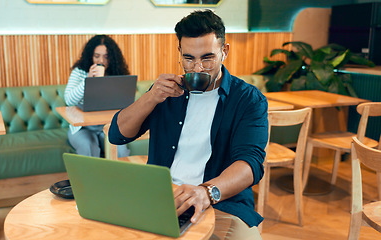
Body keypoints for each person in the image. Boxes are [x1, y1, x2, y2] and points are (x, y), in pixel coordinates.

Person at [108, 10, 268, 239]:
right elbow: (117, 135)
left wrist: (206, 192)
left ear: (225, 52)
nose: (197, 68)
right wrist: (151, 97)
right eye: (189, 58)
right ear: (180, 53)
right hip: (162, 197)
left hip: (221, 201)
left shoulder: (248, 100)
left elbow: (250, 164)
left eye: (207, 58)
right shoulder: (166, 92)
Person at [65, 35, 130, 158]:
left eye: (106, 57)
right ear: (90, 56)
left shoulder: (117, 73)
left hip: (108, 125)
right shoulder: (79, 72)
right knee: (89, 148)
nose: (101, 61)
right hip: (82, 128)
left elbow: (124, 102)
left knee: (120, 151)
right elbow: (69, 100)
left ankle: (120, 177)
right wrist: (88, 80)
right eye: (97, 56)